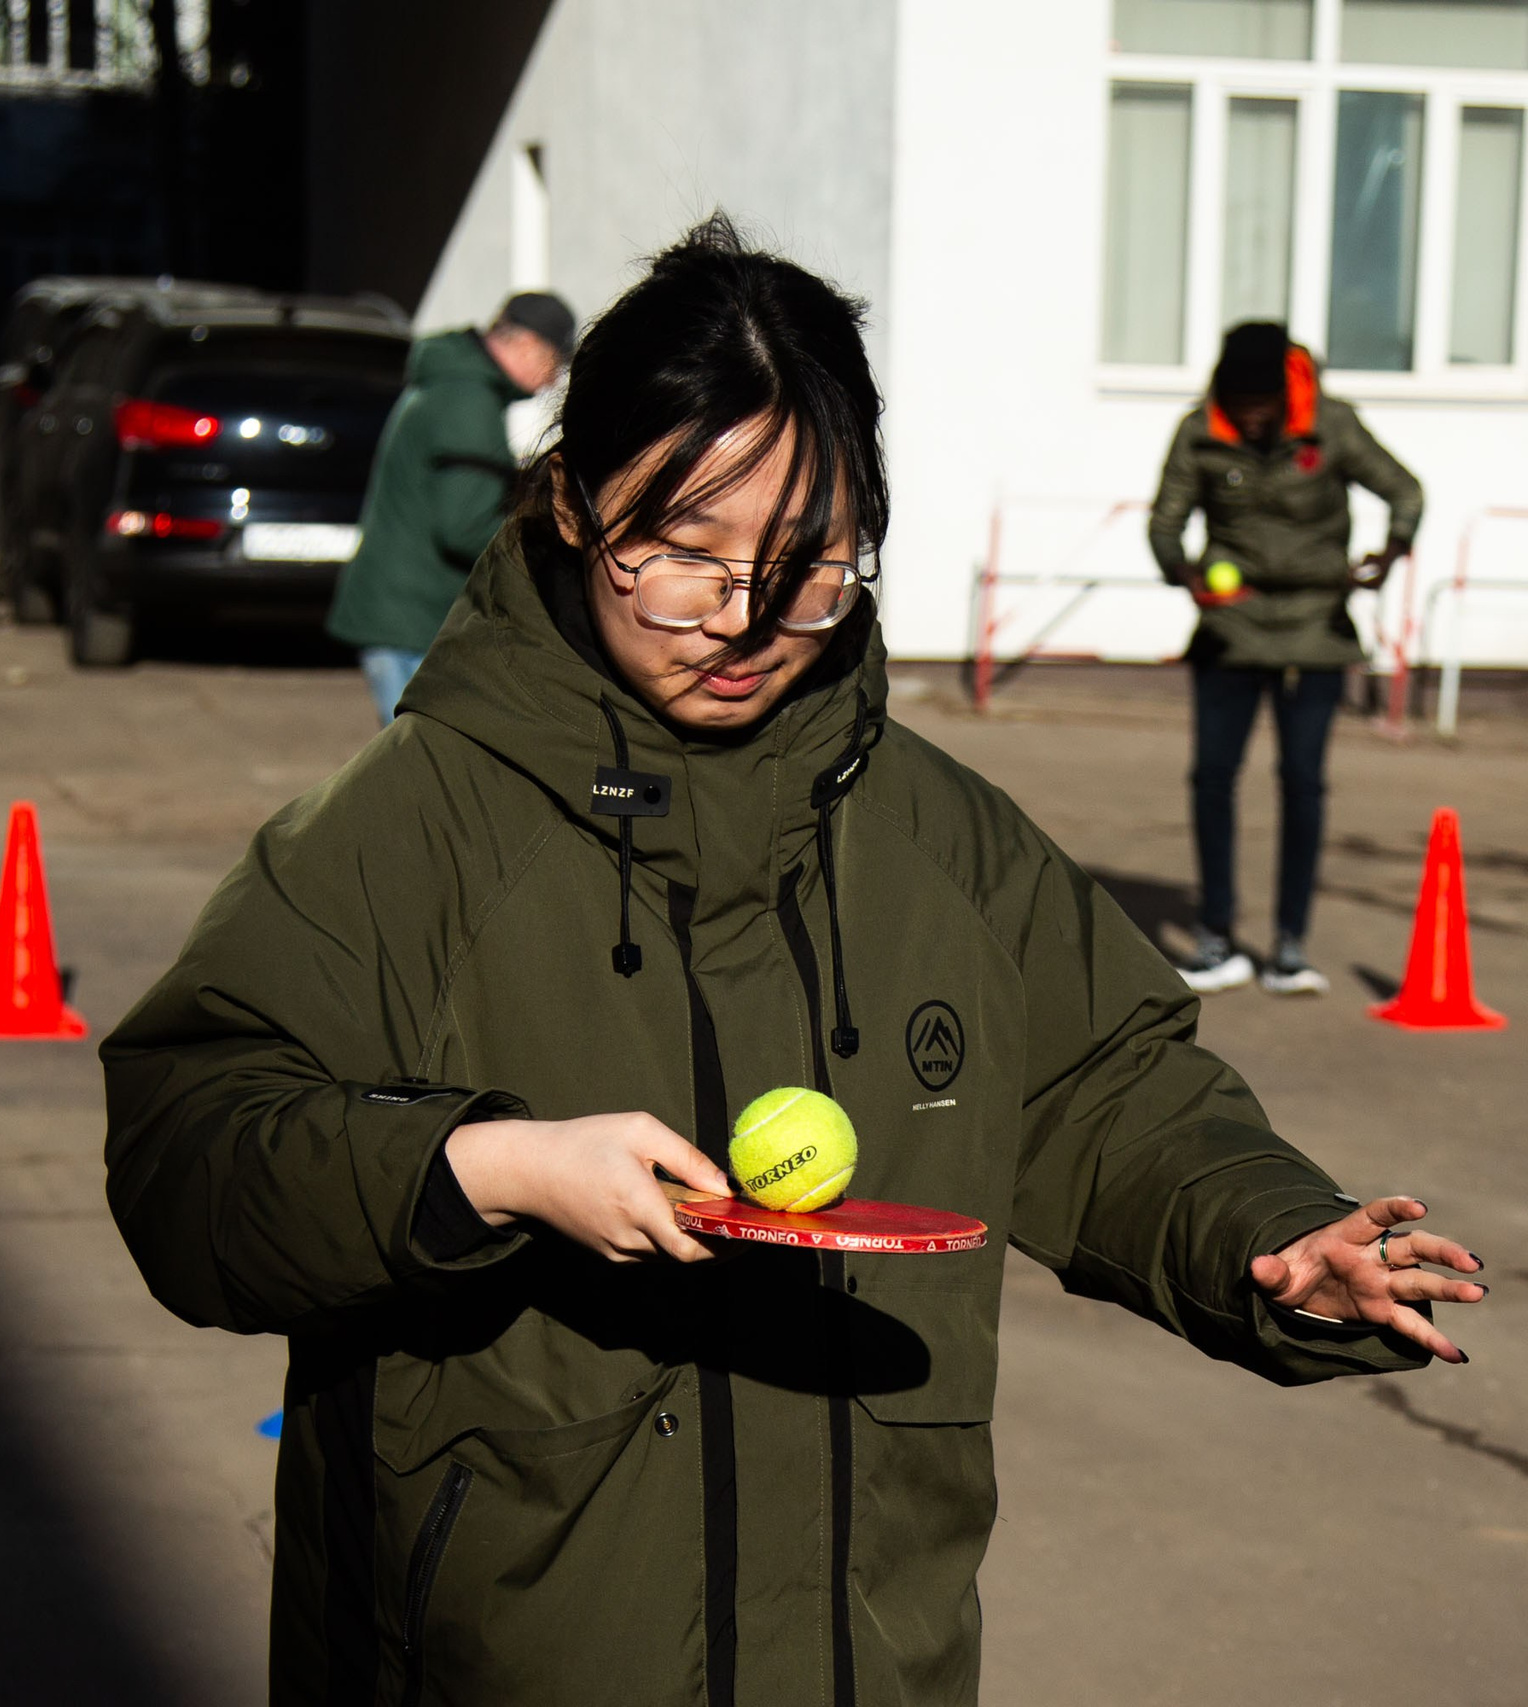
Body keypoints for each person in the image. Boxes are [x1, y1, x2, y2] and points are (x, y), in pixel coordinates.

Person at [101, 220, 1483, 1706]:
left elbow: (1109, 1091)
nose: (745, 618)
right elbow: (192, 1152)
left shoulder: (946, 839)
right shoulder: (413, 826)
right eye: (683, 553)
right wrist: (483, 1166)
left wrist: (1275, 1236)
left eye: (808, 562)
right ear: (570, 502)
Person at [1148, 321, 1423, 996]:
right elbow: (1165, 521)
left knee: (1302, 781)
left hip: (1315, 629)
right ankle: (1216, 936)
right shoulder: (1199, 431)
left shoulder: (1332, 425)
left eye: (1261, 406)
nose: (1250, 418)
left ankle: (1289, 947)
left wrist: (1390, 553)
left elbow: (1405, 490)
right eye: (1239, 406)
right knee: (1212, 778)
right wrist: (1185, 575)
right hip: (1231, 628)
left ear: (1283, 393)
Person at [328, 290, 576, 724]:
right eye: (556, 363)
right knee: (420, 754)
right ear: (528, 345)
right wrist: (550, 537)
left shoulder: (454, 384)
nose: (555, 381)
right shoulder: (468, 401)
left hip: (403, 610)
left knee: (414, 749)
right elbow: (466, 526)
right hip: (412, 619)